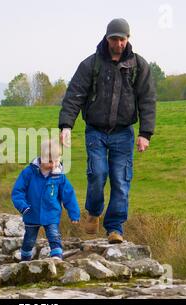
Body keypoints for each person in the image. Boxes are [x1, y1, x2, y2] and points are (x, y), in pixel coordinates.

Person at [58, 18, 156, 244]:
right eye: (114, 39)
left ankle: (115, 229)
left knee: (121, 181)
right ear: (107, 38)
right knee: (97, 173)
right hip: (96, 131)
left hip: (123, 133)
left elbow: (147, 100)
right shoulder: (90, 65)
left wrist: (145, 133)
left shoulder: (138, 66)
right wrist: (66, 126)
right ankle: (93, 212)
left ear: (128, 39)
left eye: (122, 39)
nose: (119, 43)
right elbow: (74, 95)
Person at [11, 138, 80, 261]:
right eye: (49, 161)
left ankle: (57, 259)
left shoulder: (59, 176)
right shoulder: (29, 172)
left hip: (51, 213)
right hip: (31, 212)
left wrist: (74, 213)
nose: (53, 165)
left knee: (54, 236)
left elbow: (68, 195)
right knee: (29, 239)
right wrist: (23, 206)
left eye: (56, 161)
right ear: (41, 157)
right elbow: (17, 191)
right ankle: (25, 259)